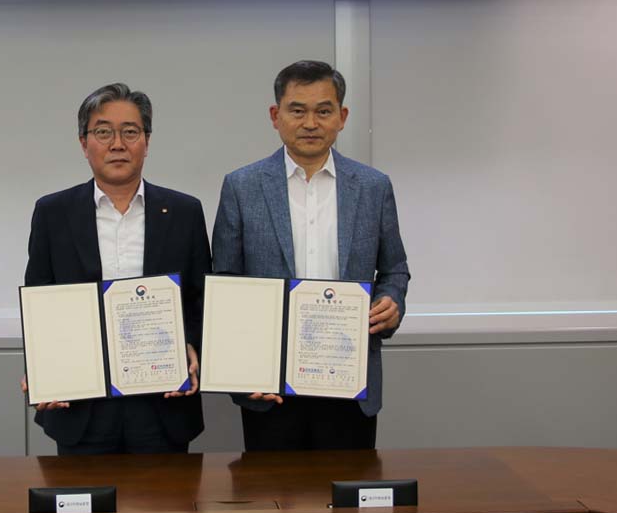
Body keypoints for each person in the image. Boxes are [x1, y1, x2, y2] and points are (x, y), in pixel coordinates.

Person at [212, 60, 410, 451]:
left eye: (323, 111)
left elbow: (395, 269)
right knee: (271, 489)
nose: (310, 123)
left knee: (349, 488)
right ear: (276, 116)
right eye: (297, 110)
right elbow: (226, 284)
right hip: (269, 383)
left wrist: (392, 301)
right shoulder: (242, 186)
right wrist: (239, 370)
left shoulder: (373, 187)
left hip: (348, 378)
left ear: (342, 117)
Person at [23, 83, 209, 455]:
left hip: (162, 403)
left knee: (166, 495)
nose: (118, 144)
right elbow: (41, 300)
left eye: (130, 132)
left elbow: (200, 299)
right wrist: (43, 367)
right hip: (80, 405)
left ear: (147, 141)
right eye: (103, 132)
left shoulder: (184, 212)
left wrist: (191, 344)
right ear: (84, 143)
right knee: (82, 495)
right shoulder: (53, 213)